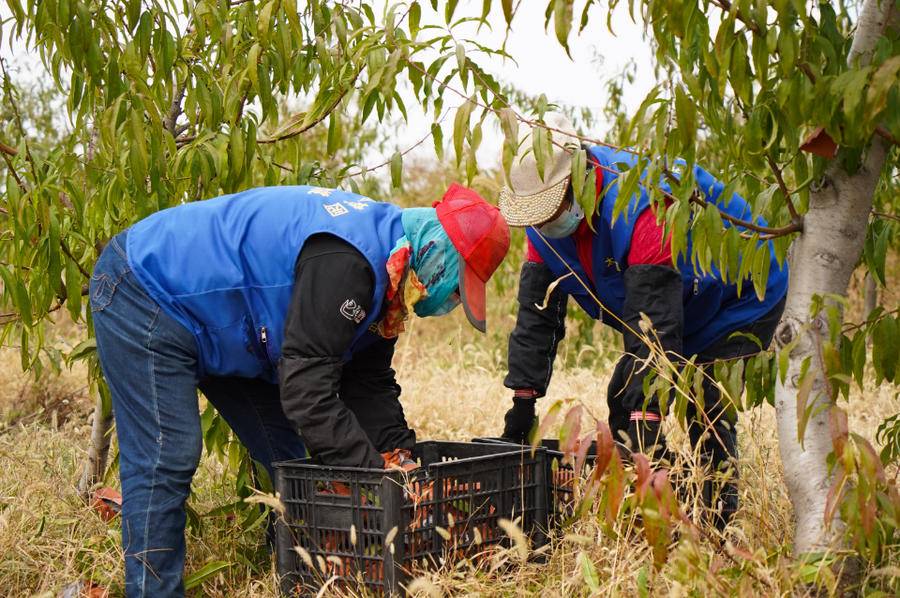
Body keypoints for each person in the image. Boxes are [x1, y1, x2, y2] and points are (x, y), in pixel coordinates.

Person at [89, 182, 510, 597]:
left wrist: (402, 459)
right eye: (458, 287)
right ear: (438, 255)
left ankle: (308, 575)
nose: (453, 300)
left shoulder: (389, 274)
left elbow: (369, 383)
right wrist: (375, 476)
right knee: (168, 453)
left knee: (286, 458)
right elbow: (307, 390)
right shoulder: (351, 266)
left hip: (230, 327)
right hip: (146, 287)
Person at [497, 113, 787, 528]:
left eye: (551, 210)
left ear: (579, 178)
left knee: (702, 403)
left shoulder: (641, 204)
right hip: (676, 304)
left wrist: (648, 413)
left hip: (738, 294)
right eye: (536, 215)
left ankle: (719, 523)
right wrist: (522, 404)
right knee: (623, 400)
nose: (544, 224)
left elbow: (653, 323)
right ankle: (668, 505)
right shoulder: (542, 227)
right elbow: (536, 318)